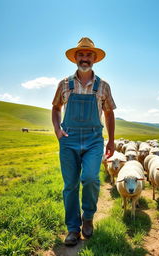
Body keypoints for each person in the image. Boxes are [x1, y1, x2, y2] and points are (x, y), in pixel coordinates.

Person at [52, 37, 116, 246]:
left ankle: (88, 218)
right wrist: (58, 129)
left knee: (89, 178)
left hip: (93, 139)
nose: (85, 58)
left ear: (95, 59)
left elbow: (109, 113)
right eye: (81, 54)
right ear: (75, 58)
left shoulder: (103, 86)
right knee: (70, 185)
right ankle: (72, 228)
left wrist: (111, 141)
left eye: (89, 55)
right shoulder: (64, 84)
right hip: (69, 139)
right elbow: (55, 108)